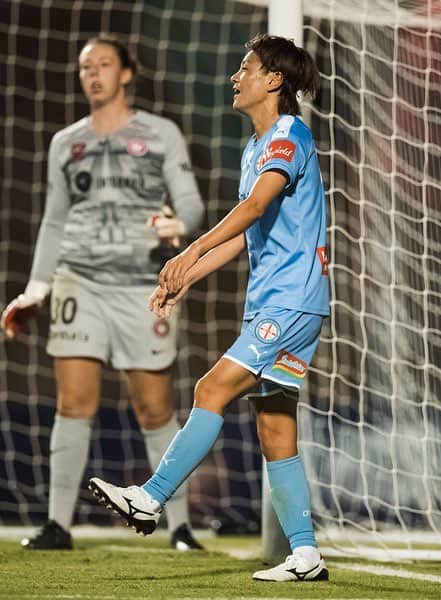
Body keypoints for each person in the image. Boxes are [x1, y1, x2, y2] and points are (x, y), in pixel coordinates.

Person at [89, 34, 330, 582]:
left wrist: (191, 246)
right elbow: (248, 235)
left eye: (244, 68)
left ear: (273, 80)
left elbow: (255, 207)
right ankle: (306, 553)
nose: (233, 77)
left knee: (210, 390)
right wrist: (184, 276)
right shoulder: (255, 147)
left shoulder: (289, 134)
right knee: (274, 427)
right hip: (284, 301)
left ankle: (151, 499)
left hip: (290, 301)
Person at [1, 36, 205, 551]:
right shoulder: (64, 142)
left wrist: (178, 224)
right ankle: (57, 525)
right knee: (73, 401)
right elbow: (53, 219)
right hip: (80, 282)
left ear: (127, 74)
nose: (93, 74)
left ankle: (180, 527)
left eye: (104, 65)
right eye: (85, 67)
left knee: (155, 408)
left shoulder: (161, 134)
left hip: (142, 285)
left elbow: (192, 204)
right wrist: (36, 290)